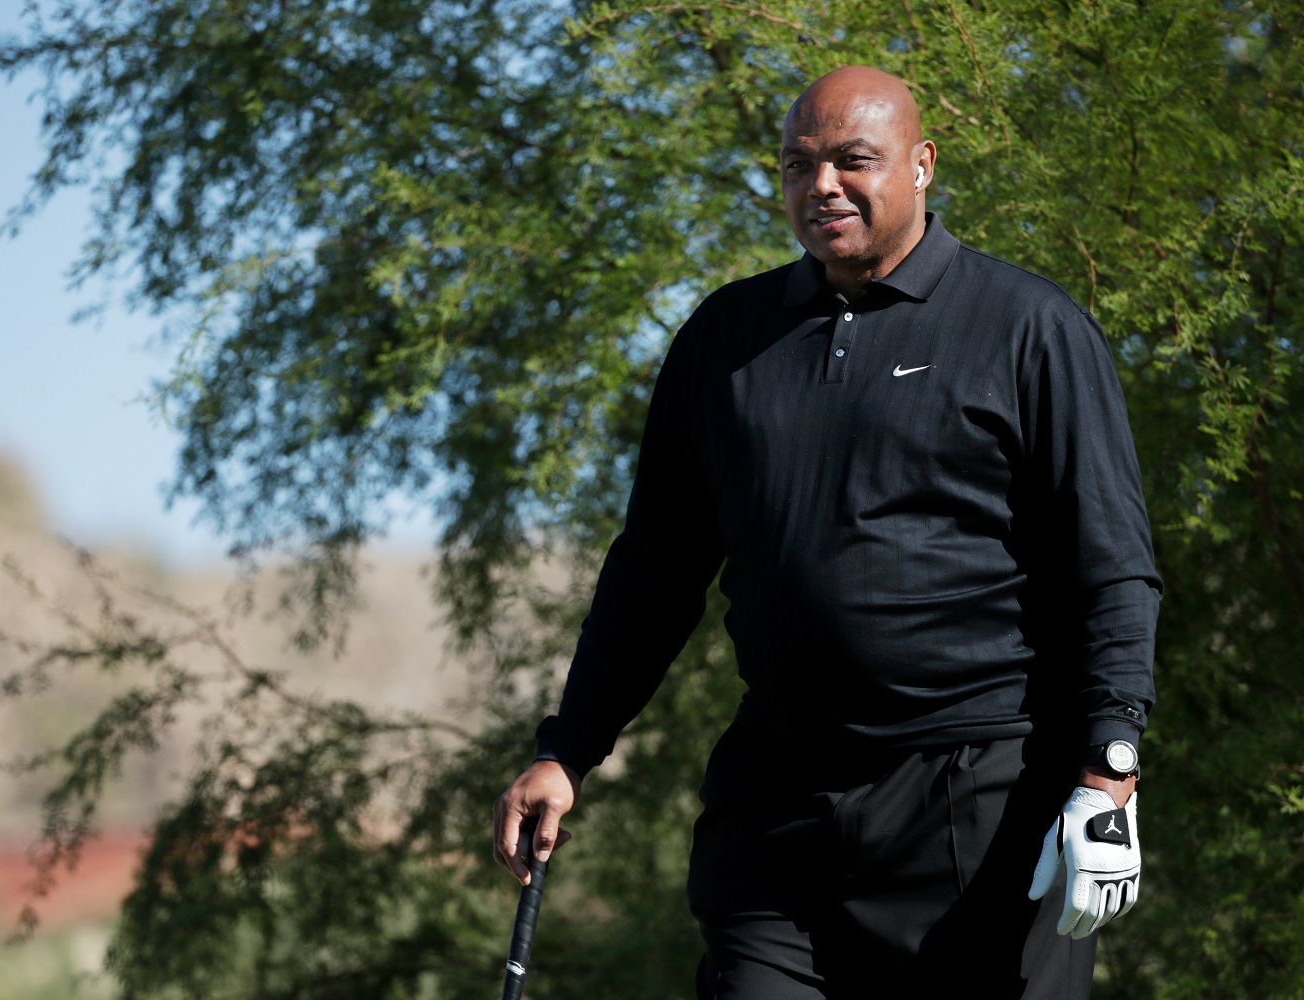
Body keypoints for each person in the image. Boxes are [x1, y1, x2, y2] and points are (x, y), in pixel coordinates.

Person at [493, 64, 1161, 998]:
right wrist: (568, 748)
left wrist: (1109, 774)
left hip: (983, 804)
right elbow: (655, 572)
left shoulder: (1029, 328)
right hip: (778, 806)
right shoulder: (726, 339)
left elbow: (1112, 570)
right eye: (798, 165)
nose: (823, 187)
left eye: (854, 161)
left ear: (922, 165)